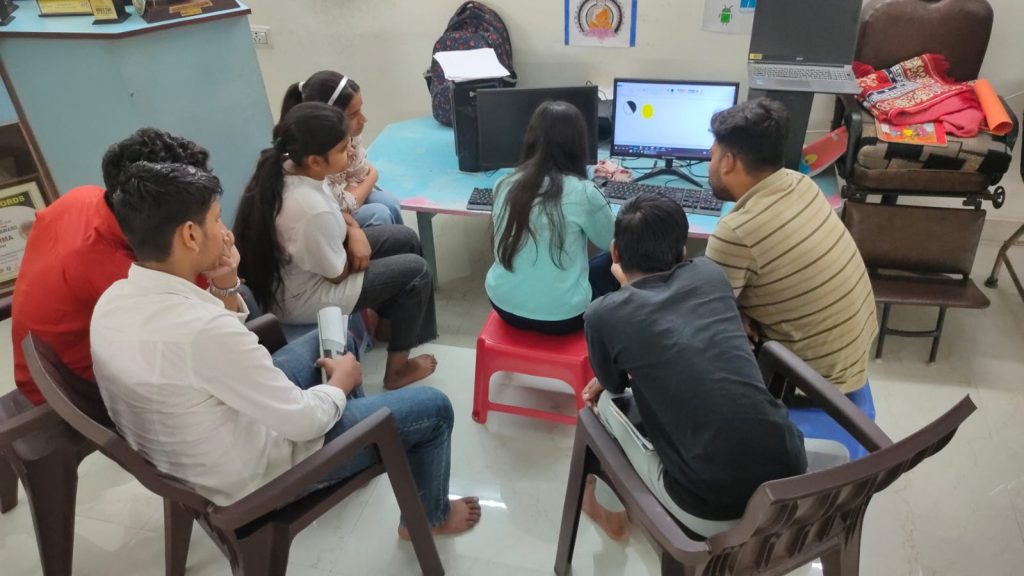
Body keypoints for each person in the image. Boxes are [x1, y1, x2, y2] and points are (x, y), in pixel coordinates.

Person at [91, 161, 481, 537]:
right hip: (258, 478)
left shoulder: (114, 300)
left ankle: (359, 443)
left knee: (331, 336)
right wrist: (339, 386)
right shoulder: (202, 332)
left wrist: (225, 282)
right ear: (190, 236)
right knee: (433, 408)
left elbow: (217, 358)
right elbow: (303, 422)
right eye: (217, 220)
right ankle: (428, 517)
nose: (226, 233)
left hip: (198, 449)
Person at [579, 194, 846, 541]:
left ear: (615, 252)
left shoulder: (602, 314)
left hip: (707, 509)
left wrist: (625, 293)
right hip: (790, 472)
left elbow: (614, 383)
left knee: (603, 404)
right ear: (682, 252)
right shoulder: (710, 274)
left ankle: (614, 512)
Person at [234, 102, 438, 390]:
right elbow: (337, 273)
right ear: (316, 160)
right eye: (343, 148)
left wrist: (355, 232)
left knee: (405, 238)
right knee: (416, 272)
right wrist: (357, 246)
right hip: (307, 295)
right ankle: (397, 370)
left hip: (313, 265)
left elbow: (338, 213)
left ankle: (390, 326)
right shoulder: (308, 208)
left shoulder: (292, 169)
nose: (352, 152)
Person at [11, 128, 216, 405]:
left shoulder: (84, 196)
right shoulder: (115, 270)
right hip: (75, 390)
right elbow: (203, 322)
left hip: (44, 364)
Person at [704, 99, 877, 396]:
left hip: (814, 384)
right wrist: (734, 310)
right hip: (852, 354)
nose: (710, 166)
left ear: (728, 162)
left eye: (712, 156)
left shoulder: (736, 232)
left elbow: (705, 319)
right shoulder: (800, 183)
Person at [485, 100, 617, 335]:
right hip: (565, 318)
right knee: (613, 259)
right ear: (578, 144)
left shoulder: (504, 184)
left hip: (502, 304)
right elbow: (612, 242)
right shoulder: (584, 192)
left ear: (530, 138)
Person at [280, 70, 403, 228]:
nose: (363, 120)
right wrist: (373, 175)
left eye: (360, 110)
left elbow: (358, 174)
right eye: (352, 115)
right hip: (327, 217)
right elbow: (341, 205)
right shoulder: (315, 155)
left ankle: (400, 239)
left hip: (337, 205)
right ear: (328, 119)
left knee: (388, 202)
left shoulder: (348, 136)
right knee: (378, 213)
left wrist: (364, 180)